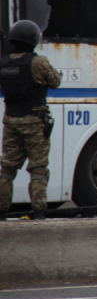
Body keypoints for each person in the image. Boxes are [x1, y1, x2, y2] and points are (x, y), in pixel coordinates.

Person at [0, 20, 61, 221]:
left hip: (11, 122)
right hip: (34, 123)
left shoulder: (3, 63)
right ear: (33, 40)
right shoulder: (38, 62)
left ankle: (2, 212)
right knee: (37, 168)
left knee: (7, 169)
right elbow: (55, 82)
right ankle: (39, 212)